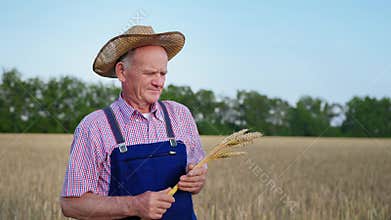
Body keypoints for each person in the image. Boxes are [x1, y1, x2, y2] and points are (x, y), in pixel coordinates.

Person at [60, 25, 207, 219]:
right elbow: (71, 204)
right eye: (149, 73)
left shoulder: (180, 116)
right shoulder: (94, 127)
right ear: (122, 72)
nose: (159, 82)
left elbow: (197, 173)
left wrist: (197, 181)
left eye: (163, 73)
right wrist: (134, 205)